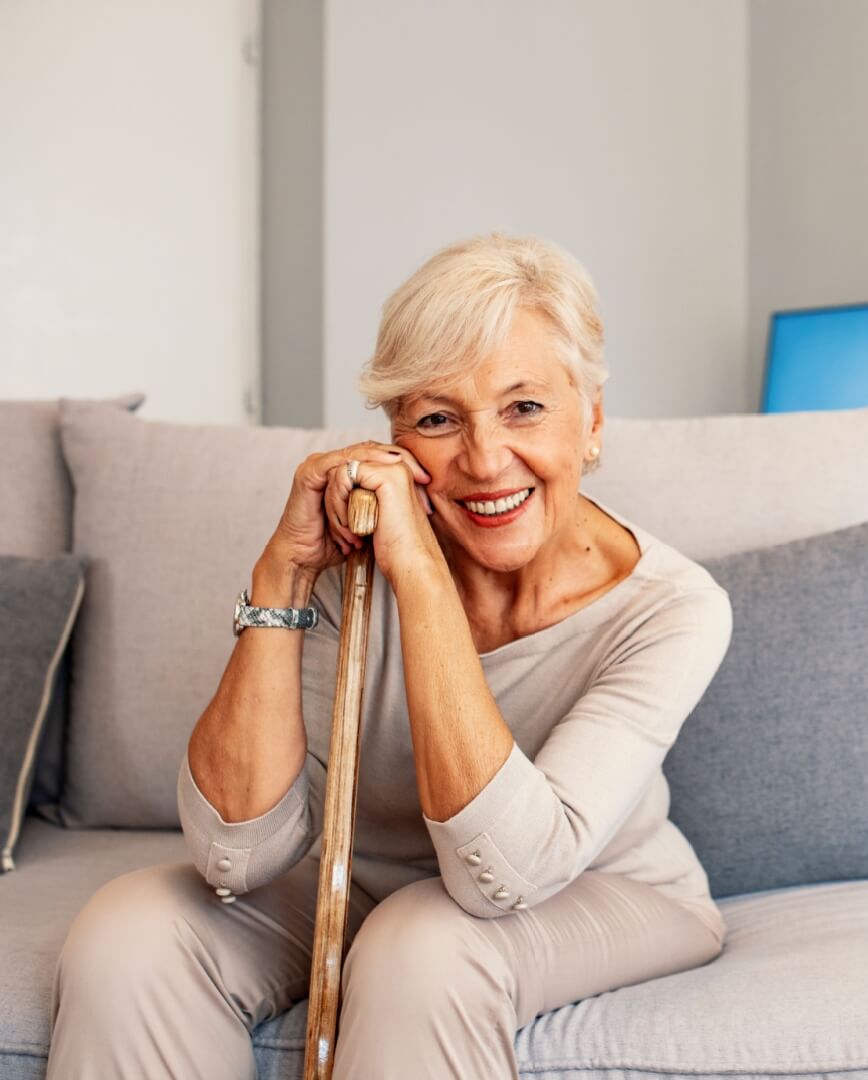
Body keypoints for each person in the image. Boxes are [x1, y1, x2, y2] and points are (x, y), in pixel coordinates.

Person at [46, 234, 732, 1078]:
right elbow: (237, 856)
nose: (484, 461)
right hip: (359, 877)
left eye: (524, 408)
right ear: (397, 438)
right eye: (440, 419)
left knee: (425, 943)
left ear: (589, 421)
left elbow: (501, 880)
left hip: (599, 891)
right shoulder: (347, 569)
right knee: (130, 934)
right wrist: (285, 572)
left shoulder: (673, 607)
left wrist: (423, 578)